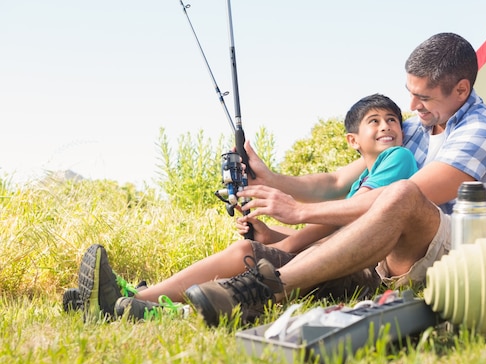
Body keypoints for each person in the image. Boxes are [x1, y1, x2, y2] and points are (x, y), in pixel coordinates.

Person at [183, 32, 486, 327]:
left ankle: (264, 288)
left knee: (403, 194)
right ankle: (150, 300)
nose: (411, 106)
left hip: (455, 253)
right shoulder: (413, 128)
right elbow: (337, 182)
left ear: (461, 89)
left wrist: (300, 213)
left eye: (423, 97)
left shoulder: (479, 132)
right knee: (259, 246)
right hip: (386, 246)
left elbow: (401, 199)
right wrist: (271, 178)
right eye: (410, 93)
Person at [71, 93, 418, 321]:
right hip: (344, 261)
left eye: (392, 120)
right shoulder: (366, 177)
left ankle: (130, 300)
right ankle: (141, 303)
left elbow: (352, 220)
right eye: (374, 120)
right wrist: (274, 235)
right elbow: (336, 231)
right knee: (252, 250)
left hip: (366, 273)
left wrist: (284, 237)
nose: (386, 126)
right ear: (352, 141)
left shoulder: (397, 158)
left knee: (247, 253)